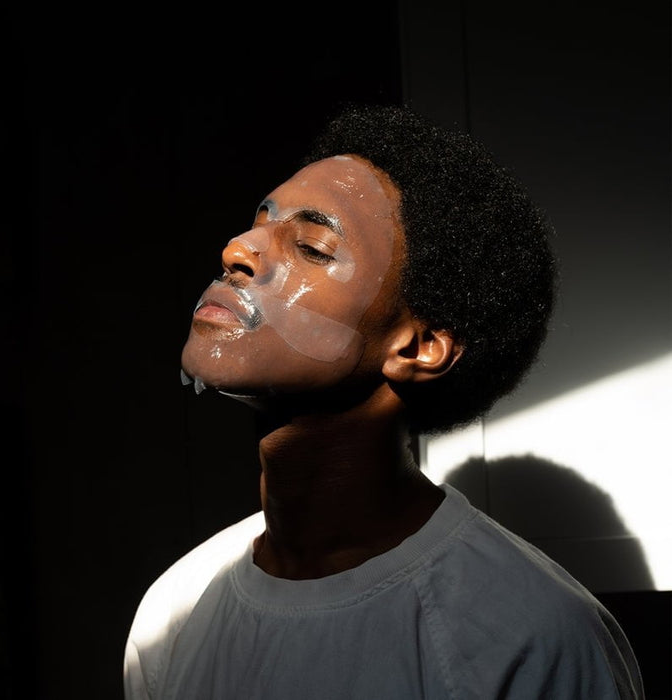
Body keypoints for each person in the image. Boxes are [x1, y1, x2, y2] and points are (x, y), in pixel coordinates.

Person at [123, 103, 644, 699]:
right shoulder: (175, 609)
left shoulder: (528, 637)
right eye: (258, 222)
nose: (238, 249)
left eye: (312, 247)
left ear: (418, 347)